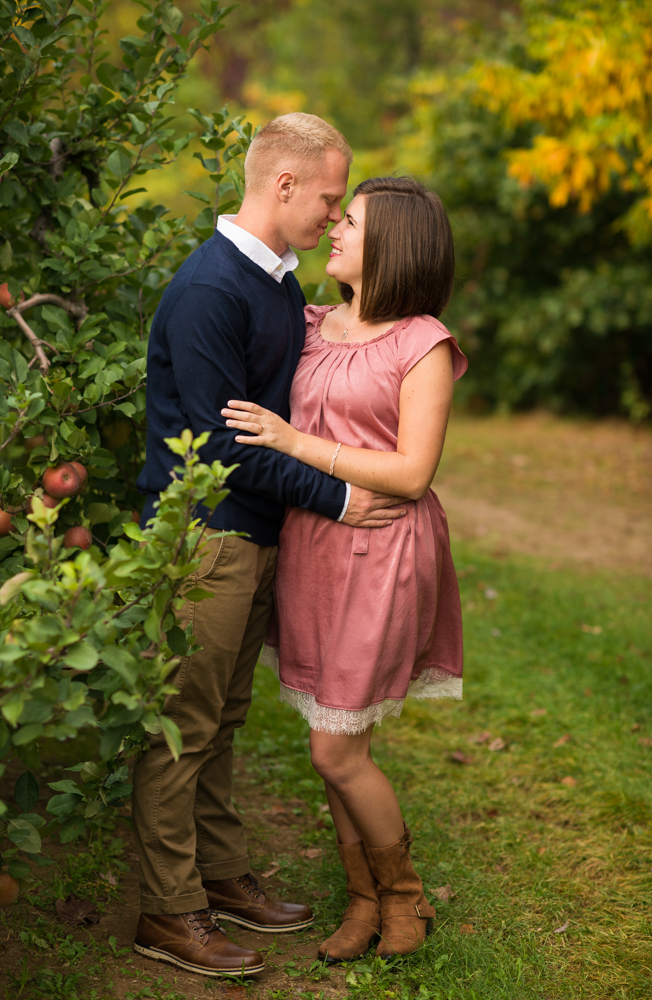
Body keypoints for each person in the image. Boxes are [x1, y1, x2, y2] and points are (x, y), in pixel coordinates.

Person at [131, 116, 407, 979]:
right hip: (204, 537)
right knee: (180, 729)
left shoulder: (278, 284)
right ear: (282, 185)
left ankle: (218, 876)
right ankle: (167, 911)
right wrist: (336, 496)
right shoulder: (212, 290)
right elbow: (218, 449)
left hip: (252, 538)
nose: (335, 214)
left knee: (223, 720)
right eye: (330, 197)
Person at [221, 176, 467, 963]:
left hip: (386, 548)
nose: (332, 229)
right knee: (337, 726)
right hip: (316, 547)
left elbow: (412, 471)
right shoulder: (313, 323)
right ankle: (363, 901)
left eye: (349, 222)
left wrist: (297, 446)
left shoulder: (421, 341)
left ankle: (405, 896)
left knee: (335, 748)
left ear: (391, 243)